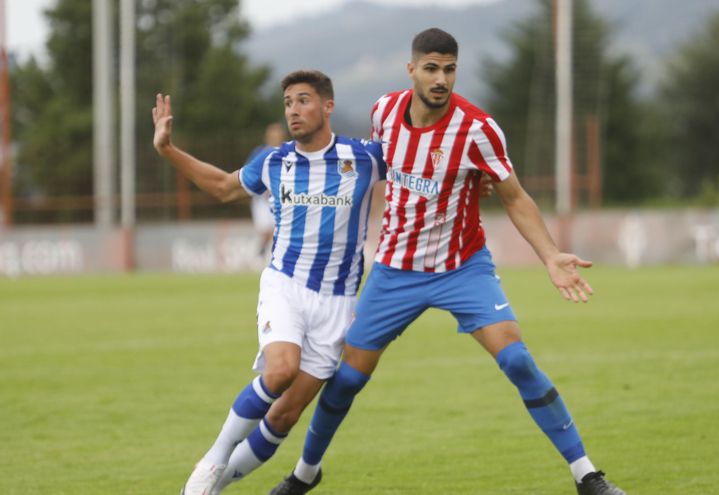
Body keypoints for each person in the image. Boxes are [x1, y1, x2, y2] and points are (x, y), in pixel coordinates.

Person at [268, 28, 626, 495]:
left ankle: (587, 476)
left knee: (518, 360)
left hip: (463, 267)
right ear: (411, 69)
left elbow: (514, 197)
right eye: (432, 68)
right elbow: (382, 169)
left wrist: (550, 254)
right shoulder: (384, 112)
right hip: (395, 269)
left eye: (450, 69)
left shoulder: (478, 129)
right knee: (347, 378)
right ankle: (305, 474)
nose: (441, 79)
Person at [151, 69, 387, 495]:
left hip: (337, 302)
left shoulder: (366, 157)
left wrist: (477, 180)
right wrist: (167, 149)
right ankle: (213, 459)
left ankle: (216, 486)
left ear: (327, 106)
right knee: (280, 371)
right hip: (285, 284)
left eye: (303, 100)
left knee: (284, 416)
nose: (293, 110)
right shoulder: (275, 162)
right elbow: (223, 187)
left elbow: (422, 168)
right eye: (288, 103)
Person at [247, 123, 288, 257]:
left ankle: (268, 252)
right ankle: (263, 250)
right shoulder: (259, 153)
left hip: (283, 199)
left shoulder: (289, 153)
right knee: (265, 230)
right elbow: (248, 174)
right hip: (262, 200)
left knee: (279, 230)